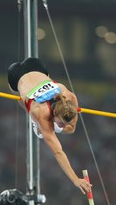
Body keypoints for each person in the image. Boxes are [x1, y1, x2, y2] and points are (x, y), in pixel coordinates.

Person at [7, 57, 92, 194]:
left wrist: (65, 126)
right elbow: (58, 152)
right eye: (60, 122)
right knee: (22, 102)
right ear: (54, 114)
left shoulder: (70, 98)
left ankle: (38, 117)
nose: (62, 125)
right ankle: (33, 121)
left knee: (68, 129)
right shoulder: (42, 113)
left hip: (36, 66)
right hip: (16, 76)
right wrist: (75, 179)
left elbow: (72, 127)